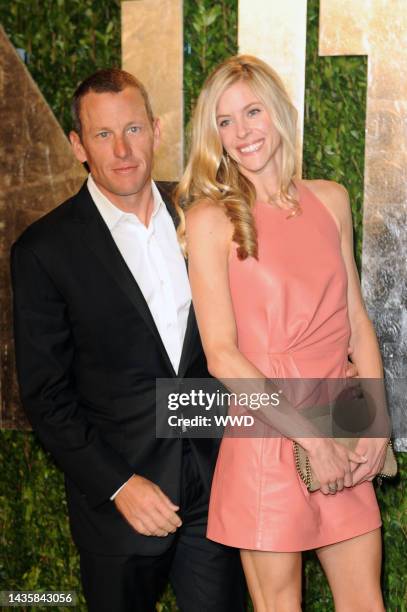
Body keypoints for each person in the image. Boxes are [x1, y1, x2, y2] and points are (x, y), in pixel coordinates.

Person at [11, 68, 246, 612]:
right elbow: (47, 395)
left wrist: (342, 400)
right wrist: (120, 486)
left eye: (134, 129)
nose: (122, 149)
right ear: (77, 146)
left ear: (157, 132)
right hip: (121, 510)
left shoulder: (204, 217)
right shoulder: (45, 251)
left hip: (216, 492)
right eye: (102, 135)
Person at [175, 55, 389, 612]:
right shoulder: (209, 219)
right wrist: (310, 439)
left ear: (279, 113)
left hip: (341, 419)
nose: (242, 132)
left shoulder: (331, 199)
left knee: (366, 603)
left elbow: (357, 324)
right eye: (225, 121)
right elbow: (221, 354)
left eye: (252, 111)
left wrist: (377, 426)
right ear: (214, 136)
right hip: (268, 432)